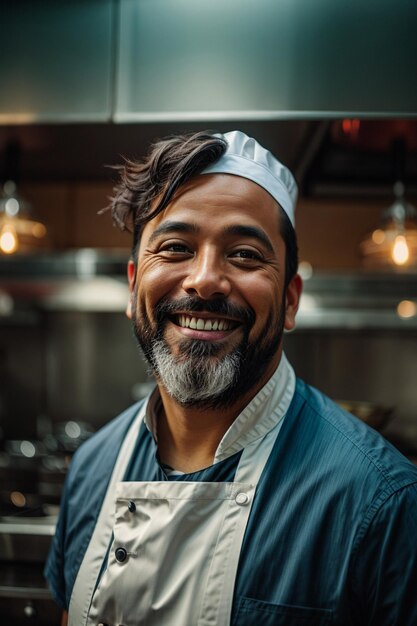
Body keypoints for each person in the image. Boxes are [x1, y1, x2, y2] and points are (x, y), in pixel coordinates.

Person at [45, 130, 417, 626]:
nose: (204, 280)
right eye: (175, 247)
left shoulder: (383, 502)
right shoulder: (92, 468)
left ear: (289, 300)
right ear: (134, 287)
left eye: (244, 254)